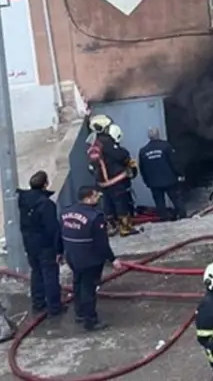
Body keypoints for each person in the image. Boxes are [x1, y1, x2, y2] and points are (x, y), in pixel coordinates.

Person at [60, 185, 122, 330]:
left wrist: (59, 252)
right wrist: (113, 259)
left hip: (72, 256)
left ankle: (80, 313)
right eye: (95, 196)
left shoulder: (65, 212)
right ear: (88, 198)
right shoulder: (95, 216)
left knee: (77, 283)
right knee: (88, 289)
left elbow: (60, 234)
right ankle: (90, 320)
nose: (98, 198)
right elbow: (102, 243)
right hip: (90, 258)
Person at [17, 171, 63, 317]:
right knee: (50, 275)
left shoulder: (23, 200)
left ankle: (38, 303)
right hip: (45, 245)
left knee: (36, 272)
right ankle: (54, 307)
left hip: (30, 243)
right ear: (45, 184)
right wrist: (59, 249)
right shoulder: (46, 204)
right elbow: (52, 228)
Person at [88, 122, 140, 236]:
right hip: (116, 182)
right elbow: (123, 156)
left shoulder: (96, 145)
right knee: (121, 204)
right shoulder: (110, 146)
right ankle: (125, 228)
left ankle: (111, 227)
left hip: (102, 184)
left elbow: (92, 167)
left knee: (108, 205)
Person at [138, 127, 187, 221]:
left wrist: (147, 181)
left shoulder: (143, 151)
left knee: (159, 202)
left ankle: (164, 218)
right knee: (176, 198)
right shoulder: (166, 146)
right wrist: (180, 174)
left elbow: (142, 168)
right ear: (158, 134)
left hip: (154, 182)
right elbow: (174, 162)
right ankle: (182, 217)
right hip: (169, 180)